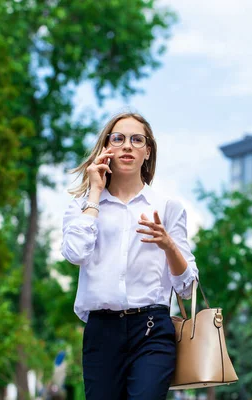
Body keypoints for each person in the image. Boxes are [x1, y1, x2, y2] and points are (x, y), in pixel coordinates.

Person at [61, 112, 199, 399]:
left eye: (137, 140)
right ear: (106, 148)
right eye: (119, 138)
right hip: (101, 331)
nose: (127, 145)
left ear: (147, 151)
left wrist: (168, 245)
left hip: (152, 331)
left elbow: (187, 288)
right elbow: (75, 254)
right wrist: (95, 195)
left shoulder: (168, 207)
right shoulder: (82, 206)